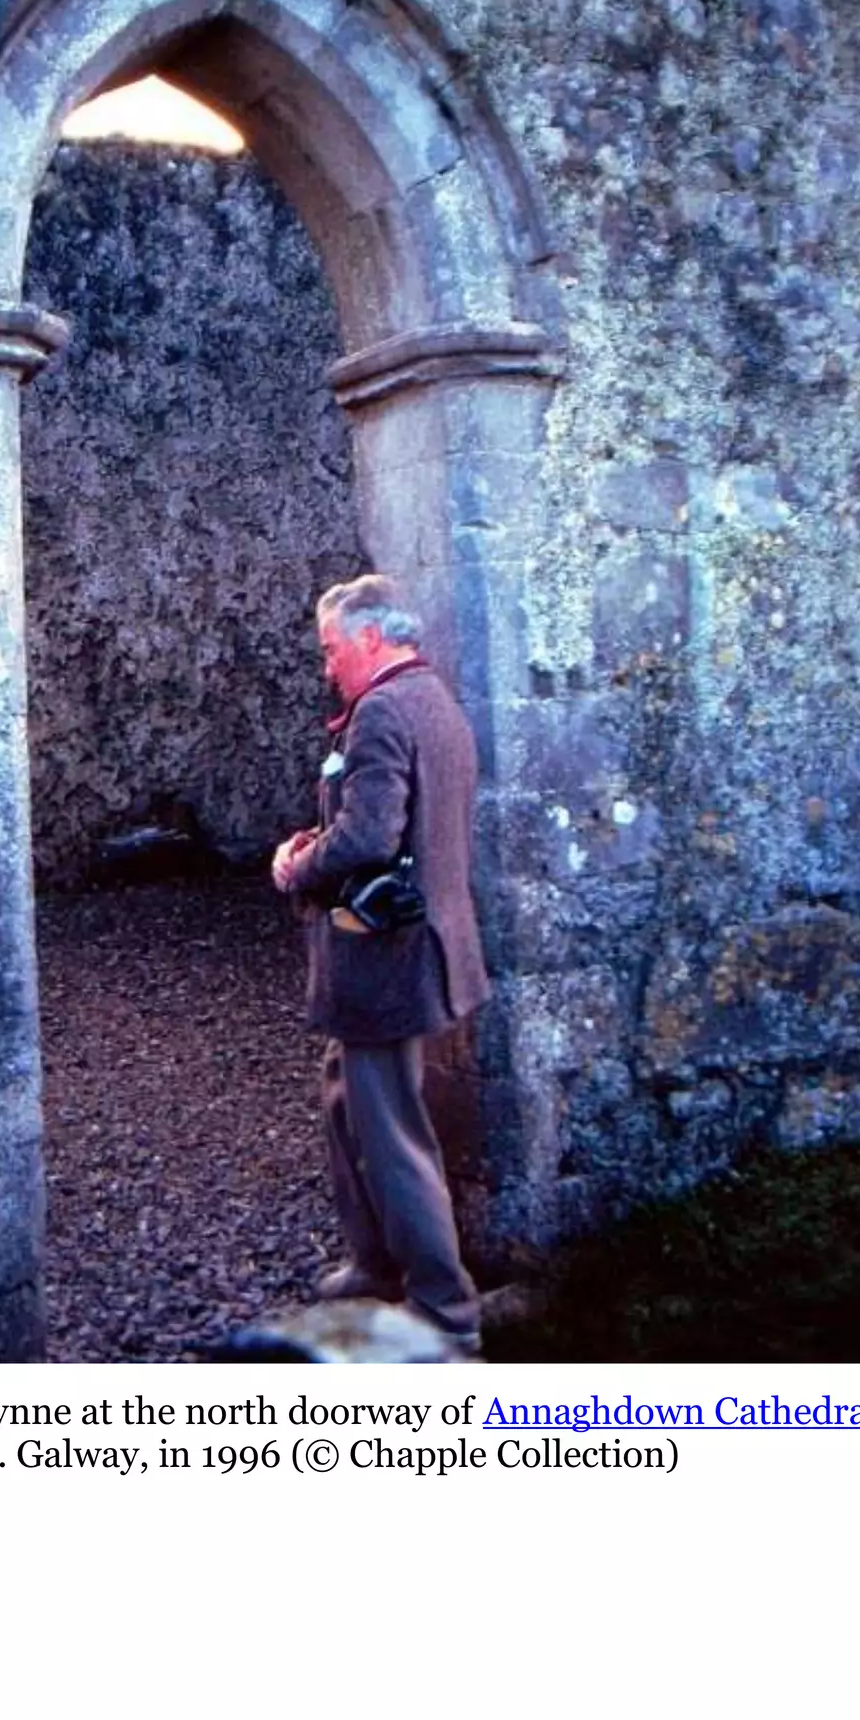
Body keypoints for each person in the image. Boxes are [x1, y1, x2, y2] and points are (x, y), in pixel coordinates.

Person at [271, 576, 490, 1353]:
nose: (328, 666)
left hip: (388, 961)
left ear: (369, 638)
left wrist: (297, 866)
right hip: (415, 950)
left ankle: (444, 1311)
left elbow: (366, 838)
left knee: (392, 1128)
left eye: (332, 649)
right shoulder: (432, 700)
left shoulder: (384, 711)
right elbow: (393, 828)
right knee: (347, 1103)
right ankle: (372, 1261)